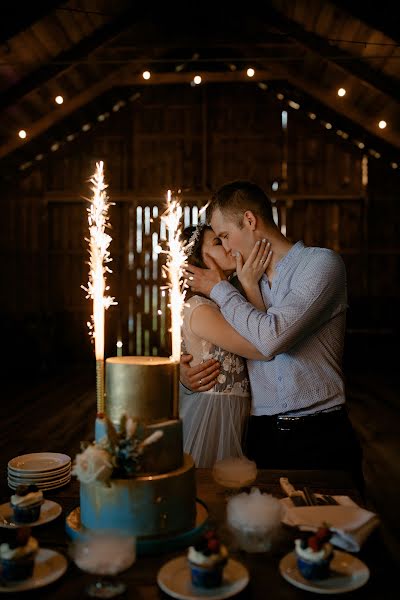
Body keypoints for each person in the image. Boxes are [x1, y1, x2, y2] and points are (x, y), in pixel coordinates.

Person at [182, 180, 364, 490]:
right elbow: (209, 339)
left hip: (318, 431)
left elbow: (271, 339)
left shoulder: (320, 265)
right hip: (259, 433)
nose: (225, 247)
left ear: (250, 221)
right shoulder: (237, 287)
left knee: (331, 530)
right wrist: (182, 372)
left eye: (225, 235)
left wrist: (225, 288)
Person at [179, 223, 272, 467]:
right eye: (218, 242)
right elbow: (262, 347)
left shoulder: (230, 297)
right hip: (215, 415)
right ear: (197, 259)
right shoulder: (199, 308)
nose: (228, 246)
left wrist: (248, 284)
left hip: (243, 412)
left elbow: (261, 335)